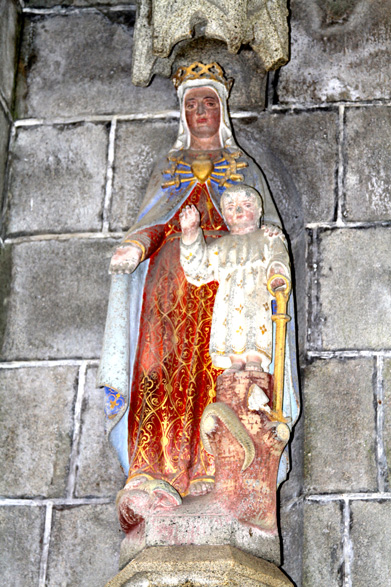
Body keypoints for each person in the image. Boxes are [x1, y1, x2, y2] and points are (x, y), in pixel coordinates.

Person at [98, 62, 299, 502]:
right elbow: (153, 219)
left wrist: (269, 247)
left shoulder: (243, 165)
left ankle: (216, 468)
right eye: (192, 104)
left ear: (222, 110)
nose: (201, 110)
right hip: (168, 284)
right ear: (183, 113)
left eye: (209, 102)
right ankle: (153, 469)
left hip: (224, 291)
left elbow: (268, 233)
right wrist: (136, 245)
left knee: (220, 375)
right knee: (159, 369)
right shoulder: (168, 166)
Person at [179, 185, 290, 373]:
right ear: (223, 214)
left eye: (245, 205)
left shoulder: (268, 237)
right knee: (230, 324)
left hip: (256, 293)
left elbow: (278, 257)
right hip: (229, 297)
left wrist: (276, 274)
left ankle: (255, 359)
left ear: (259, 210)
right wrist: (190, 233)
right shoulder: (222, 245)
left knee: (255, 322)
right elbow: (197, 271)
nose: (238, 211)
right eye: (230, 208)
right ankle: (235, 361)